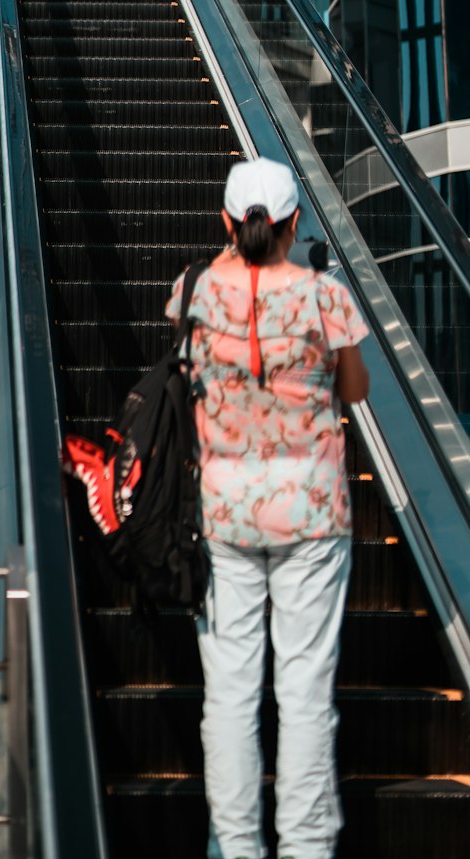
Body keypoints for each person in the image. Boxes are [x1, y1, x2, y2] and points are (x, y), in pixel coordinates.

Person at [165, 157, 369, 859]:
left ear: (228, 221)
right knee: (307, 689)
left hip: (224, 512)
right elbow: (357, 388)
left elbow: (187, 371)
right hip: (310, 511)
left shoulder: (193, 290)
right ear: (293, 223)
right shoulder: (324, 296)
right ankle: (307, 847)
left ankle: (237, 844)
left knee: (228, 693)